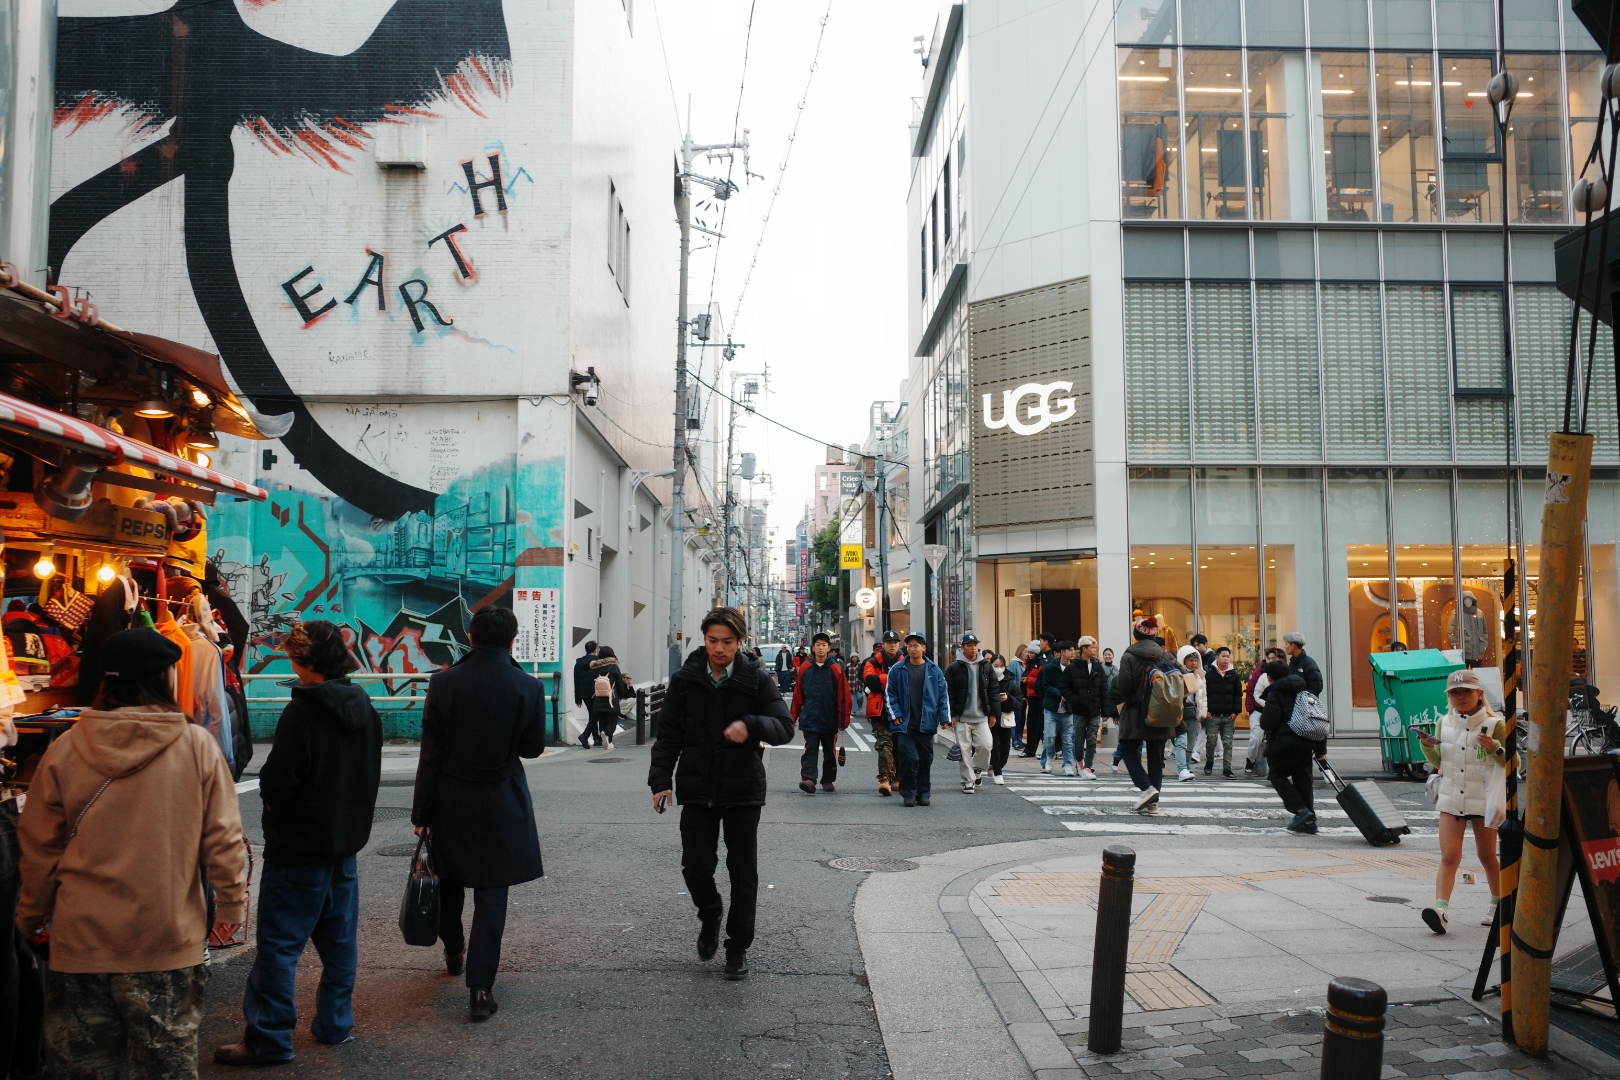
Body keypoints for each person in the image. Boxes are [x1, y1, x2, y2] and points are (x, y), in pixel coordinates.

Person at [19, 628, 246, 1078]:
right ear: (162, 679)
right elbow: (223, 837)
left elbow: (39, 847)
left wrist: (30, 915)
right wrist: (231, 904)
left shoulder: (66, 749)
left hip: (81, 942)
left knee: (84, 1067)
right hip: (164, 939)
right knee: (167, 1067)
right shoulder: (195, 746)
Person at [215, 621, 382, 1064]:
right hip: (344, 847)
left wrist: (275, 808)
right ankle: (334, 1026)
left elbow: (279, 780)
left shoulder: (304, 710)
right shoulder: (363, 705)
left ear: (308, 664)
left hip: (298, 850)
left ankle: (268, 1039)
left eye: (294, 657)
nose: (292, 664)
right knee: (340, 944)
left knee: (279, 947)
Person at [409, 606, 546, 1020]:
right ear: (512, 640)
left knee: (449, 877)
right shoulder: (528, 685)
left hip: (453, 793)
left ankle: (453, 948)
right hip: (503, 795)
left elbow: (430, 753)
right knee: (492, 892)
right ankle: (481, 987)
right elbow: (532, 748)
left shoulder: (444, 683)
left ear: (470, 636)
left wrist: (422, 811)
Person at [650, 607, 795, 981]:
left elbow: (784, 727)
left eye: (727, 642)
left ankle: (737, 947)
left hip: (743, 790)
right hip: (697, 788)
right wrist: (660, 780)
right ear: (704, 639)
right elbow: (668, 735)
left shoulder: (756, 680)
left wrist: (750, 724)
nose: (718, 648)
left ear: (740, 642)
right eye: (713, 640)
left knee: (743, 871)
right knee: (695, 866)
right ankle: (710, 911)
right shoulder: (685, 680)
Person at [1416, 669, 1508, 933]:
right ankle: (1441, 909)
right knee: (1449, 856)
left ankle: (1498, 902)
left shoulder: (1494, 724)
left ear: (1479, 693)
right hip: (1451, 796)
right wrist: (1426, 746)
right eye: (1455, 692)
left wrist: (1493, 747)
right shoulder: (1444, 723)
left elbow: (1513, 763)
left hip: (1484, 798)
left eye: (1466, 691)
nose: (1460, 696)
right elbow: (1438, 763)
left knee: (1487, 855)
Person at [1111, 616, 1173, 813]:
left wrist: (1128, 698)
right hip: (1161, 712)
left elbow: (1123, 686)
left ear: (1136, 635)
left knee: (1128, 750)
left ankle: (1147, 788)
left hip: (1137, 711)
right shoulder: (1165, 655)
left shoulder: (1129, 656)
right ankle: (1154, 803)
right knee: (1156, 755)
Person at [1257, 658, 1324, 834]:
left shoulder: (1275, 694)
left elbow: (1268, 722)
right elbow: (1316, 719)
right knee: (1303, 780)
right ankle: (1310, 822)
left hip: (1283, 745)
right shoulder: (1305, 693)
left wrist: (1262, 719)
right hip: (1305, 744)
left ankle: (1301, 810)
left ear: (1270, 678)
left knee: (1277, 776)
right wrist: (1320, 750)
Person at [885, 632, 949, 808]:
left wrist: (944, 717)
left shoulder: (934, 670)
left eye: (916, 645)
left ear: (924, 648)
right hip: (905, 724)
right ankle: (909, 793)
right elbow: (890, 695)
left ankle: (923, 793)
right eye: (909, 646)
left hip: (926, 723)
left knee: (925, 760)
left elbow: (943, 695)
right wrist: (895, 714)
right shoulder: (897, 670)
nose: (912, 649)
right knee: (908, 758)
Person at [791, 633, 851, 794]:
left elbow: (843, 696)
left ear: (829, 648)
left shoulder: (835, 669)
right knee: (810, 749)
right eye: (817, 644)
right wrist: (792, 717)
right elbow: (798, 695)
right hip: (810, 716)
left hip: (829, 718)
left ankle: (828, 779)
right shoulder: (805, 668)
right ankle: (809, 779)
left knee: (829, 751)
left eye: (824, 645)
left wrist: (843, 719)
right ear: (813, 647)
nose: (820, 647)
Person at [944, 633, 996, 794]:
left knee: (986, 745)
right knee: (964, 750)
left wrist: (994, 713)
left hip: (981, 716)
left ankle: (978, 769)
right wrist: (951, 714)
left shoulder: (986, 666)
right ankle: (967, 780)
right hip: (962, 716)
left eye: (975, 645)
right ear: (962, 647)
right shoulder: (954, 668)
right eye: (969, 645)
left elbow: (994, 690)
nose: (973, 648)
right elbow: (949, 692)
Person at [861, 632, 902, 795]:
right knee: (884, 746)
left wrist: (883, 679)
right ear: (883, 644)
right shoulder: (872, 662)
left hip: (900, 712)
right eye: (889, 642)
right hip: (880, 712)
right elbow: (870, 681)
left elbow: (906, 681)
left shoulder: (905, 661)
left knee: (900, 746)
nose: (892, 645)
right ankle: (885, 778)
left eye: (895, 642)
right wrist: (893, 678)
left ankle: (898, 777)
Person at [1062, 637, 1108, 779]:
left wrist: (1106, 711)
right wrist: (1075, 700)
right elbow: (1064, 687)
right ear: (1083, 649)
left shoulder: (1098, 667)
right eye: (1092, 647)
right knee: (1079, 739)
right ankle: (1080, 764)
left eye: (1095, 647)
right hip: (1079, 709)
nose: (1094, 650)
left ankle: (1088, 766)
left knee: (1092, 739)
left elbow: (1104, 689)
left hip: (1094, 709)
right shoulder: (1072, 668)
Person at [1035, 641, 1077, 775]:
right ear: (1062, 652)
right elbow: (1045, 686)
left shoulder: (1075, 668)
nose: (1072, 653)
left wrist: (1069, 696)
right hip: (1051, 708)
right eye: (1069, 650)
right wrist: (1061, 694)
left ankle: (1068, 764)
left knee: (1068, 739)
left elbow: (1078, 686)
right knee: (1049, 737)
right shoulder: (1050, 668)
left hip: (1068, 709)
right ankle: (1050, 757)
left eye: (1073, 650)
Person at [1244, 646, 1284, 776]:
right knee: (1256, 738)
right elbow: (1253, 693)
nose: (1270, 661)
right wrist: (1253, 708)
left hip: (1279, 712)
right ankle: (1250, 760)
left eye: (1273, 658)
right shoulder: (1260, 674)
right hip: (1259, 709)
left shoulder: (1286, 673)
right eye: (1268, 658)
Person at [1203, 646, 1243, 778]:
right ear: (1217, 657)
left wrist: (1236, 711)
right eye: (1223, 656)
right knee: (1211, 741)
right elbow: (1204, 693)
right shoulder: (1209, 673)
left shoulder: (1233, 674)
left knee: (1228, 742)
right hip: (1213, 715)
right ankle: (1209, 763)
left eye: (1228, 656)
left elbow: (1237, 694)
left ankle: (1227, 768)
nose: (1226, 659)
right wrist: (1205, 710)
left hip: (1228, 715)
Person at [1171, 646, 1205, 783]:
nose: (1193, 663)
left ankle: (1186, 767)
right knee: (1181, 742)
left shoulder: (1200, 676)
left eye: (1195, 660)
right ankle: (1182, 769)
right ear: (1183, 660)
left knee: (1191, 744)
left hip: (1194, 713)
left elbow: (1204, 696)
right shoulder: (1176, 675)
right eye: (1190, 660)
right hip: (1181, 713)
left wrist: (1202, 712)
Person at [582, 645, 624, 750]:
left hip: (599, 698)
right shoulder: (614, 667)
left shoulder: (595, 668)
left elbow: (592, 684)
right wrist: (621, 695)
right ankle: (606, 734)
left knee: (602, 719)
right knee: (612, 720)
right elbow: (619, 683)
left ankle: (607, 741)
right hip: (611, 698)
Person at [989, 654, 1018, 784]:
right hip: (990, 718)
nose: (999, 669)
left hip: (1006, 719)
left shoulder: (1010, 682)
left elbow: (1019, 701)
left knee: (1005, 747)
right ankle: (998, 772)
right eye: (996, 666)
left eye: (1001, 666)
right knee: (995, 745)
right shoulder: (987, 680)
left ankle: (996, 765)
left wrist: (1008, 699)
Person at [1020, 640, 1047, 759]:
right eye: (1028, 652)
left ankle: (1045, 750)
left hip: (1038, 696)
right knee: (1031, 724)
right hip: (1030, 697)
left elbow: (1042, 681)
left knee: (1040, 725)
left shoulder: (1042, 663)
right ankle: (1030, 749)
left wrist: (1029, 681)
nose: (1029, 654)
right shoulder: (1029, 664)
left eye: (1032, 652)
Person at [572, 640, 599, 736]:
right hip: (598, 692)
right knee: (596, 714)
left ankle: (596, 738)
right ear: (595, 650)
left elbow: (576, 682)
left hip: (585, 693)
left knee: (592, 714)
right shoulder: (598, 661)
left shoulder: (579, 663)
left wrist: (578, 699)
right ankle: (587, 736)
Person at [1005, 648, 1026, 751]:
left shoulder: (1024, 664)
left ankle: (1019, 739)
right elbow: (1011, 679)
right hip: (1016, 696)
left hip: (1023, 696)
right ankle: (1016, 741)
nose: (1027, 654)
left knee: (1021, 719)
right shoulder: (1014, 663)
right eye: (1025, 651)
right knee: (1016, 719)